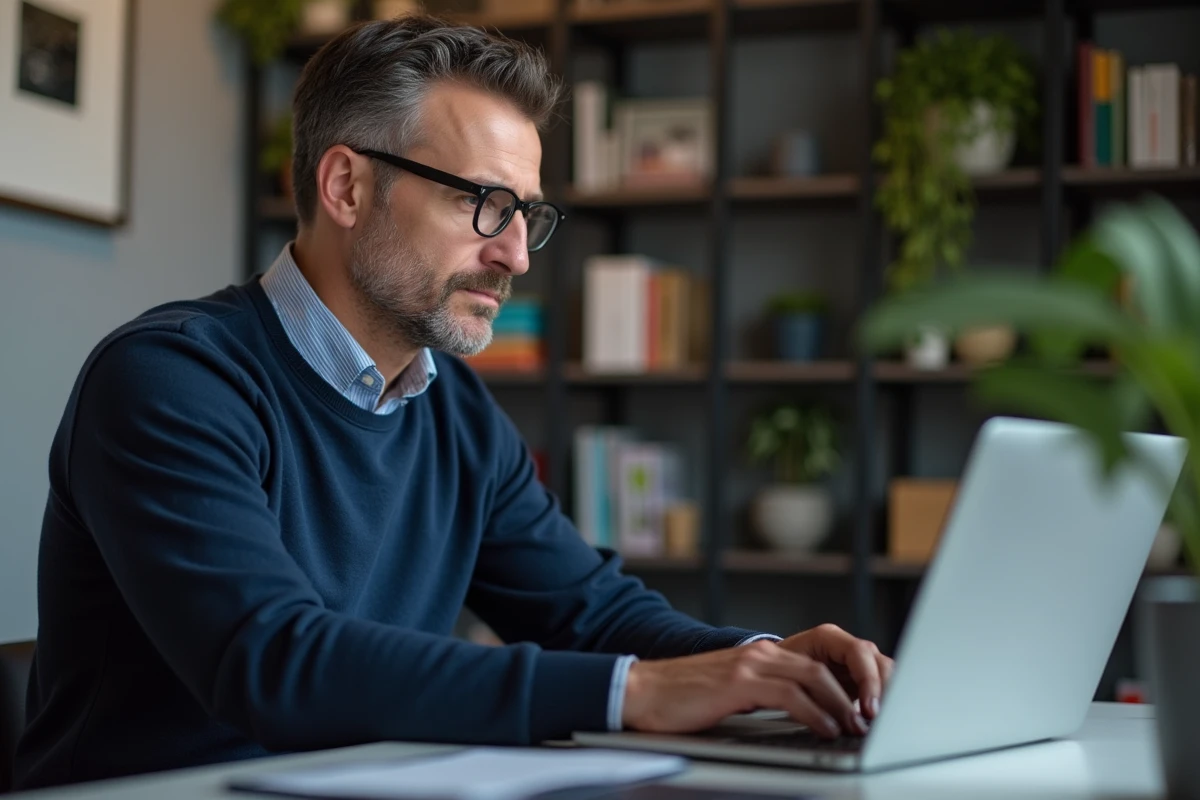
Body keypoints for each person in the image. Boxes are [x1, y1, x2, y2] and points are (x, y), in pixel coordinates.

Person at [14, 15, 893, 790]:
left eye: (528, 216)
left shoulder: (456, 413)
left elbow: (592, 616)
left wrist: (765, 664)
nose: (516, 254)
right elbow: (272, 660)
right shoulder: (169, 381)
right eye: (484, 203)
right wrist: (639, 693)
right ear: (347, 186)